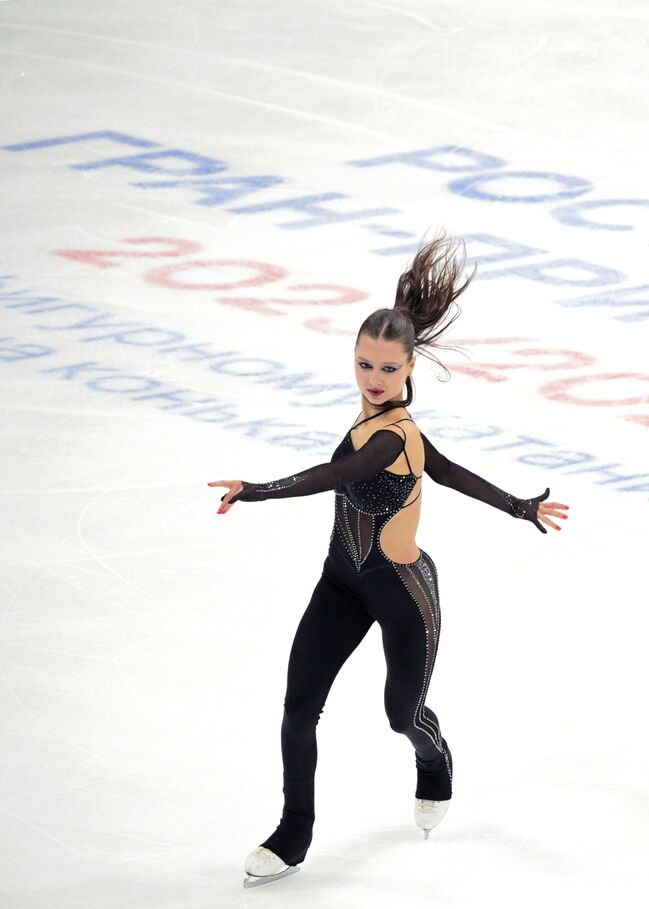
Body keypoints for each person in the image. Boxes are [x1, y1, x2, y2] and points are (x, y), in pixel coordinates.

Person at [207, 234, 570, 887]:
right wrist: (517, 505)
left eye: (386, 369)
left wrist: (257, 489)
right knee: (298, 705)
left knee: (402, 715)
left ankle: (435, 759)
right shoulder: (379, 420)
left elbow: (339, 472)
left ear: (409, 371)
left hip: (402, 591)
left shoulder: (394, 434)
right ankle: (294, 830)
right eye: (363, 365)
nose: (373, 379)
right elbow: (448, 468)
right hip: (342, 580)